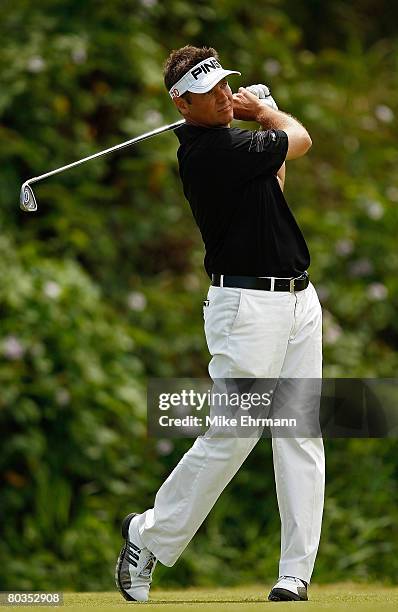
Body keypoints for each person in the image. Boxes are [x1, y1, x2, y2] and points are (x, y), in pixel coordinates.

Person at [115, 45, 324, 603]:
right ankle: (149, 534)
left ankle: (294, 573)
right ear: (183, 106)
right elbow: (299, 140)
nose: (225, 98)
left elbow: (275, 183)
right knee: (236, 432)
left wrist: (263, 123)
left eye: (227, 87)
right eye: (210, 94)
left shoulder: (235, 145)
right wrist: (268, 112)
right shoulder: (209, 150)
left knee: (300, 434)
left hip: (299, 300)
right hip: (247, 309)